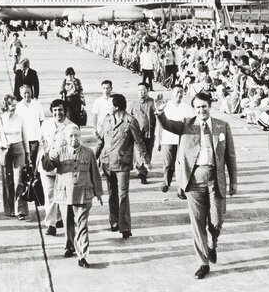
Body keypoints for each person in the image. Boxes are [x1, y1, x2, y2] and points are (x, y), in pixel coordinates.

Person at [154, 91, 238, 279]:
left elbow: (230, 156)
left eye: (204, 106)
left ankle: (213, 244)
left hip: (216, 180)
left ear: (210, 106)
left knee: (216, 220)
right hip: (193, 180)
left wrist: (234, 180)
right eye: (198, 107)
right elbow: (167, 124)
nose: (201, 110)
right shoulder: (186, 124)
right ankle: (203, 262)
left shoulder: (222, 126)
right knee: (197, 222)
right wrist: (160, 114)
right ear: (194, 108)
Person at [42, 126, 104, 268]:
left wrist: (98, 192)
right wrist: (45, 154)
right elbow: (48, 167)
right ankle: (69, 246)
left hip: (84, 193)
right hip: (65, 194)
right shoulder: (59, 152)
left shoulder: (88, 153)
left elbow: (94, 173)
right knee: (68, 222)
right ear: (65, 138)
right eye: (70, 136)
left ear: (80, 136)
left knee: (82, 225)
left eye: (76, 135)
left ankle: (82, 255)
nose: (73, 139)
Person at [95, 94, 148, 239]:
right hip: (107, 162)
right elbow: (101, 140)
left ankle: (125, 227)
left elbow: (139, 142)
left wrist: (143, 159)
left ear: (116, 106)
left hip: (122, 163)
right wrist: (94, 156)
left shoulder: (130, 121)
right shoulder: (107, 119)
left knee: (123, 194)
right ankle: (114, 222)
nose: (109, 107)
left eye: (111, 104)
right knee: (112, 193)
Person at [38, 99, 78, 236]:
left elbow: (75, 148)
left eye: (60, 110)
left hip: (62, 167)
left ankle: (59, 218)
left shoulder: (71, 126)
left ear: (65, 110)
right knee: (49, 194)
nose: (57, 113)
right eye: (55, 110)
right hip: (46, 165)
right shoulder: (46, 124)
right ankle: (51, 224)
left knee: (61, 195)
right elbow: (41, 142)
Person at [0, 93, 31, 219]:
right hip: (6, 150)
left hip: (19, 148)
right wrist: (3, 144)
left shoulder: (20, 118)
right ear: (5, 105)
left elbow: (25, 136)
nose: (14, 107)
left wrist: (28, 154)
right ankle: (9, 209)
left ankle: (20, 210)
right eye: (11, 104)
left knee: (19, 180)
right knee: (7, 181)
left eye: (15, 104)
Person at [156, 86, 194, 198]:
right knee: (168, 164)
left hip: (182, 141)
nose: (179, 95)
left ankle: (181, 190)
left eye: (181, 92)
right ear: (172, 93)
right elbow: (159, 125)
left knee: (182, 165)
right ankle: (166, 182)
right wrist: (158, 140)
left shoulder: (187, 108)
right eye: (177, 92)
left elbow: (192, 124)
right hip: (168, 139)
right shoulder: (165, 106)